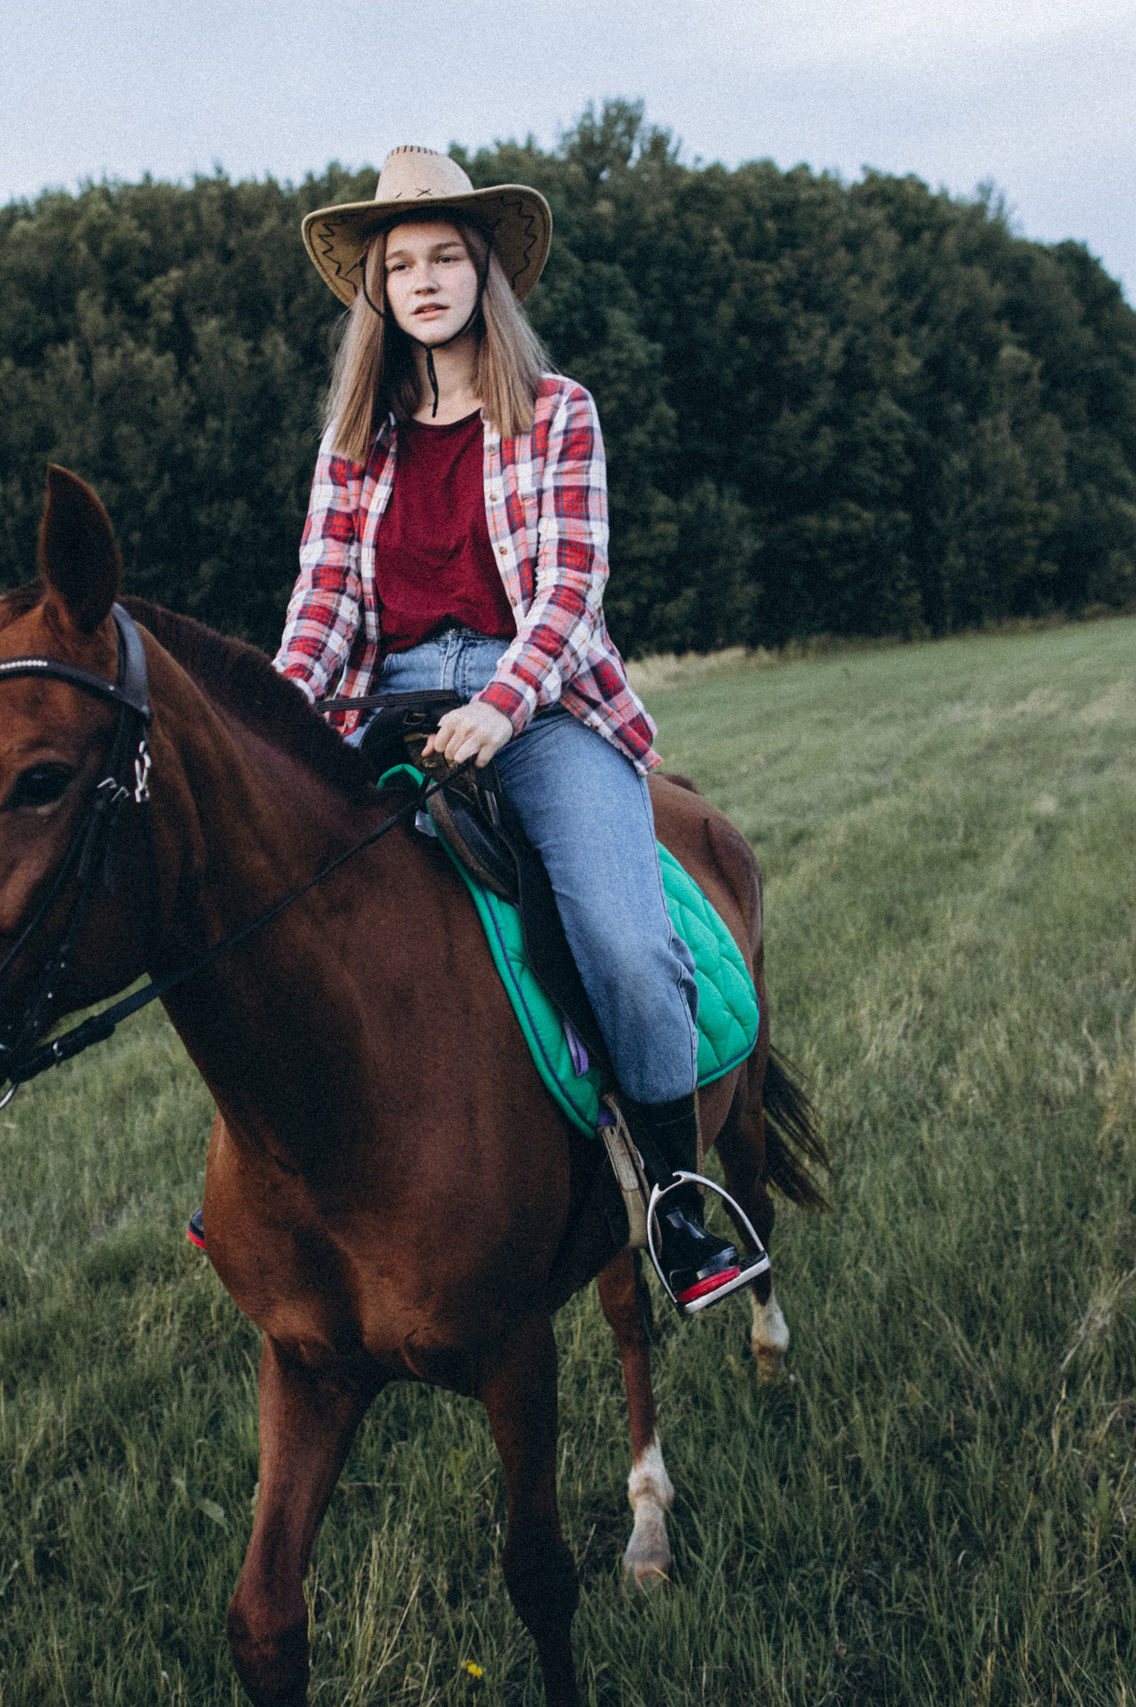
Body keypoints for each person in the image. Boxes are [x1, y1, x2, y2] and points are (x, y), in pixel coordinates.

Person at [241, 145, 758, 1314]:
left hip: (540, 700)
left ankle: (674, 1198)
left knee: (624, 944)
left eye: (445, 257)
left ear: (486, 273)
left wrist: (497, 706)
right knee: (271, 906)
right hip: (386, 700)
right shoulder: (352, 441)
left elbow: (571, 590)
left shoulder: (557, 411)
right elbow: (322, 605)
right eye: (400, 265)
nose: (423, 281)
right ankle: (269, 1184)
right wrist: (273, 728)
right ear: (376, 291)